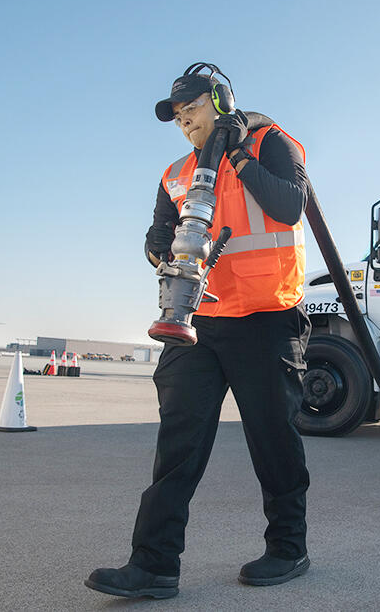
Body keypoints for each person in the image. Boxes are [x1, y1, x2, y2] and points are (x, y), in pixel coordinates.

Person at [85, 65, 312, 599]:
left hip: (266, 319)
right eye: (177, 117)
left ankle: (288, 548)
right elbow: (156, 236)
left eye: (192, 110)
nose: (184, 121)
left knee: (274, 440)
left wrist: (237, 156)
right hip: (198, 323)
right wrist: (162, 251)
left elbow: (289, 205)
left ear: (221, 100)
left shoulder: (271, 143)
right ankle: (154, 565)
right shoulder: (175, 174)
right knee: (178, 444)